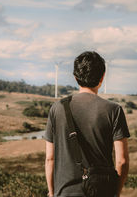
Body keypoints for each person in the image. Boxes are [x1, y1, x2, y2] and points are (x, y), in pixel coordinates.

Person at [44, 51, 130, 197]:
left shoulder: (57, 109)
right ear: (102, 76)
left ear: (75, 77)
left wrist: (52, 192)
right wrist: (115, 193)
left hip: (64, 192)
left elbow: (50, 158)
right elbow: (122, 161)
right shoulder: (114, 110)